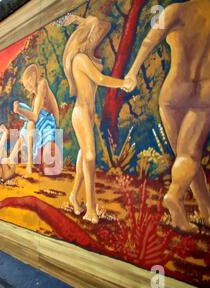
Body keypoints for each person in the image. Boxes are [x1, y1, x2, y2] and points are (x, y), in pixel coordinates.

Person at [123, 0, 210, 233]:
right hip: (209, 85)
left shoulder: (176, 10)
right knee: (189, 155)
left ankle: (174, 195)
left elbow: (149, 40)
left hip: (176, 88)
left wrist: (132, 73)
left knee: (186, 155)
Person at [62, 14, 132, 223]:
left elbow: (104, 22)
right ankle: (91, 208)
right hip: (81, 113)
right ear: (88, 36)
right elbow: (100, 79)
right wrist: (123, 83)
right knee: (90, 157)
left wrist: (77, 18)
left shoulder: (88, 56)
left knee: (85, 155)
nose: (99, 37)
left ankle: (74, 195)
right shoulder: (80, 59)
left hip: (88, 113)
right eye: (96, 35)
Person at [13, 64, 60, 176]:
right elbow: (34, 116)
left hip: (50, 120)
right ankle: (15, 158)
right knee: (29, 124)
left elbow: (34, 116)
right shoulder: (36, 94)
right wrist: (21, 109)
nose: (28, 89)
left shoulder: (42, 84)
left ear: (32, 78)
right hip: (43, 119)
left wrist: (19, 110)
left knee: (30, 122)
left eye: (27, 85)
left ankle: (27, 163)